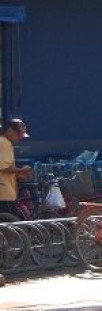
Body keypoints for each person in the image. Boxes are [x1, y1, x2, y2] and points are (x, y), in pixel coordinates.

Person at [0, 118, 31, 287]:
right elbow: (2, 167)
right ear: (10, 130)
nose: (19, 138)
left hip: (7, 190)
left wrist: (17, 173)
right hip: (4, 192)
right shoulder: (4, 143)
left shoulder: (5, 143)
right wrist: (21, 170)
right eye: (18, 134)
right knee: (8, 227)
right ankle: (4, 258)